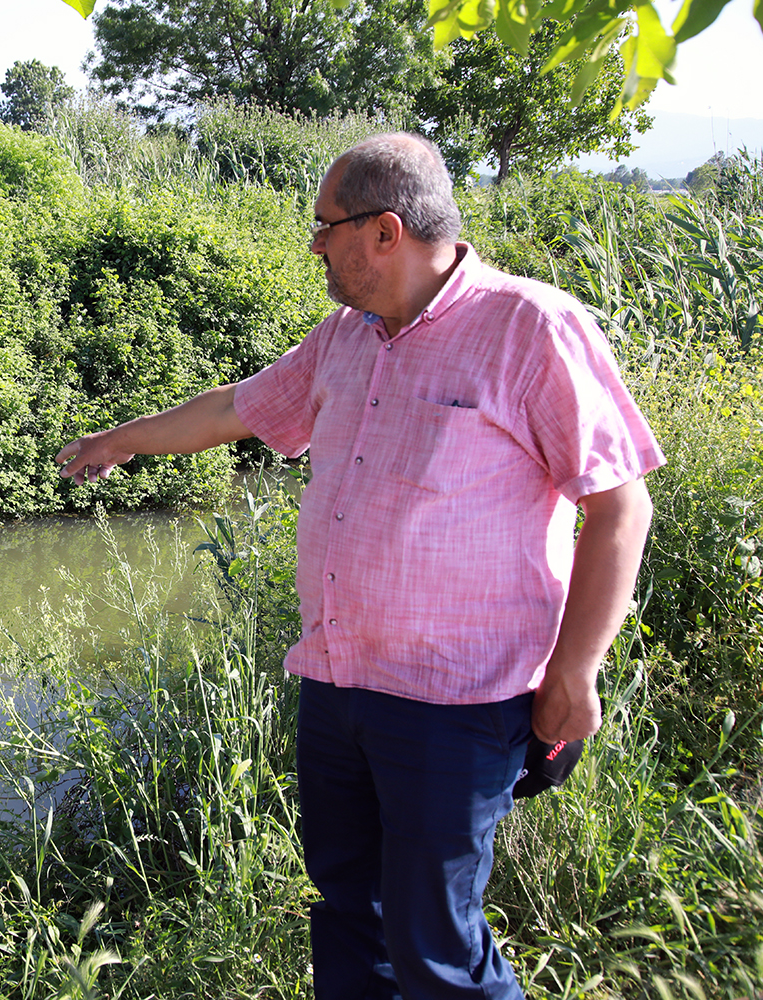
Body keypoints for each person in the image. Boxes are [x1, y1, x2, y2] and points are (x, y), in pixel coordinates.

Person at [55, 133, 664, 1000]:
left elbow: (619, 506)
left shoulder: (531, 326)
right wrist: (122, 441)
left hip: (457, 701)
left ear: (385, 231)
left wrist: (575, 671)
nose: (315, 246)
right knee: (349, 915)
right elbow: (237, 408)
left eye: (325, 226)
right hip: (339, 687)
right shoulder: (346, 336)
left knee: (436, 945)